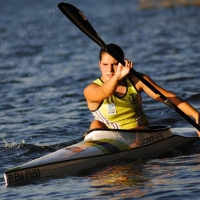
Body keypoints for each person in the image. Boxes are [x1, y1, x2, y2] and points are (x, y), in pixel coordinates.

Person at [84, 43, 200, 135]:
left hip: (140, 132)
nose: (109, 69)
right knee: (95, 125)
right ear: (99, 64)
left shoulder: (137, 80)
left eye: (114, 64)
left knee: (135, 132)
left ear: (123, 64)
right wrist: (117, 77)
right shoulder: (91, 89)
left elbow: (168, 98)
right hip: (108, 138)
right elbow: (106, 92)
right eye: (105, 64)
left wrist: (197, 115)